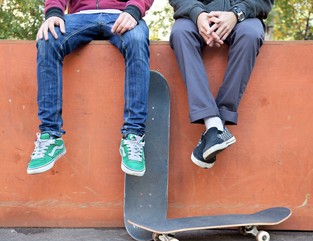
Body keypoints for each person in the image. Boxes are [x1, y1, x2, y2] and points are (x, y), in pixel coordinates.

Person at [27, 0, 154, 177]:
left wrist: (134, 10)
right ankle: (50, 136)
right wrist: (54, 13)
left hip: (121, 15)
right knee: (48, 38)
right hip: (78, 18)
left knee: (137, 39)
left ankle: (133, 136)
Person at [169, 0, 273, 168]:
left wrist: (236, 13)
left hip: (244, 18)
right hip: (195, 17)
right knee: (180, 32)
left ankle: (216, 126)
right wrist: (198, 14)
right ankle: (215, 126)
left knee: (251, 34)